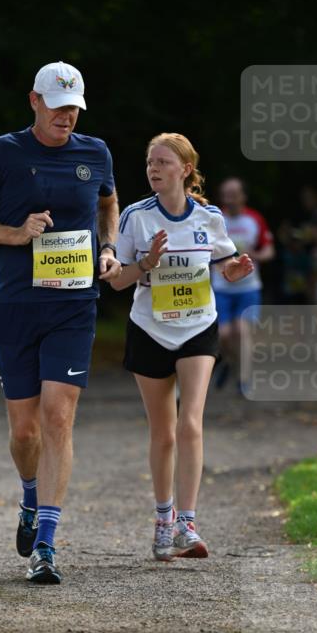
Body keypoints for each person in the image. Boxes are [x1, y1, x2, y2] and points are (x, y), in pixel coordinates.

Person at [0, 61, 121, 584]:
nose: (66, 116)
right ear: (34, 101)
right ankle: (30, 496)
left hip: (74, 304)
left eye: (74, 107)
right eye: (57, 105)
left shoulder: (95, 153)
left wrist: (110, 246)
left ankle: (46, 545)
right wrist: (17, 232)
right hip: (16, 305)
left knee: (58, 417)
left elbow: (108, 201)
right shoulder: (3, 151)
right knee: (25, 430)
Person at [111, 133, 252, 560]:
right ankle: (163, 519)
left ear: (185, 170)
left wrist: (233, 270)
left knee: (191, 422)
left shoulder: (209, 217)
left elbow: (223, 260)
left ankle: (188, 524)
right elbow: (117, 279)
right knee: (164, 431)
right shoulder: (136, 217)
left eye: (163, 162)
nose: (153, 169)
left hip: (197, 328)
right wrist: (145, 265)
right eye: (150, 162)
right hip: (150, 329)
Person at [211, 177, 274, 391]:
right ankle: (230, 362)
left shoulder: (254, 220)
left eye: (234, 194)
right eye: (226, 195)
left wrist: (256, 254)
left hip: (248, 287)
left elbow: (269, 250)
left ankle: (244, 379)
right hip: (222, 287)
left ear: (243, 196)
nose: (229, 199)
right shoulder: (214, 218)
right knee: (225, 334)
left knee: (243, 330)